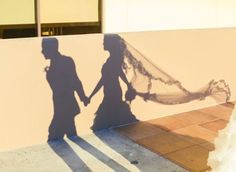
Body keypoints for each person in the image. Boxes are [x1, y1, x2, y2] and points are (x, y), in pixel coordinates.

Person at [41, 38, 89, 140]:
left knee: (55, 135)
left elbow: (75, 81)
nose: (42, 51)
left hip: (64, 107)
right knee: (71, 134)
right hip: (60, 107)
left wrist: (83, 97)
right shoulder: (54, 65)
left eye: (44, 48)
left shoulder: (66, 61)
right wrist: (83, 97)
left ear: (51, 48)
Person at [88, 35, 138, 130]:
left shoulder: (113, 60)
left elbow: (107, 78)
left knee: (106, 120)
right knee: (111, 118)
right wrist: (90, 96)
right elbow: (108, 78)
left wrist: (90, 96)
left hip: (112, 92)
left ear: (110, 43)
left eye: (104, 41)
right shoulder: (113, 59)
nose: (103, 43)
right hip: (111, 91)